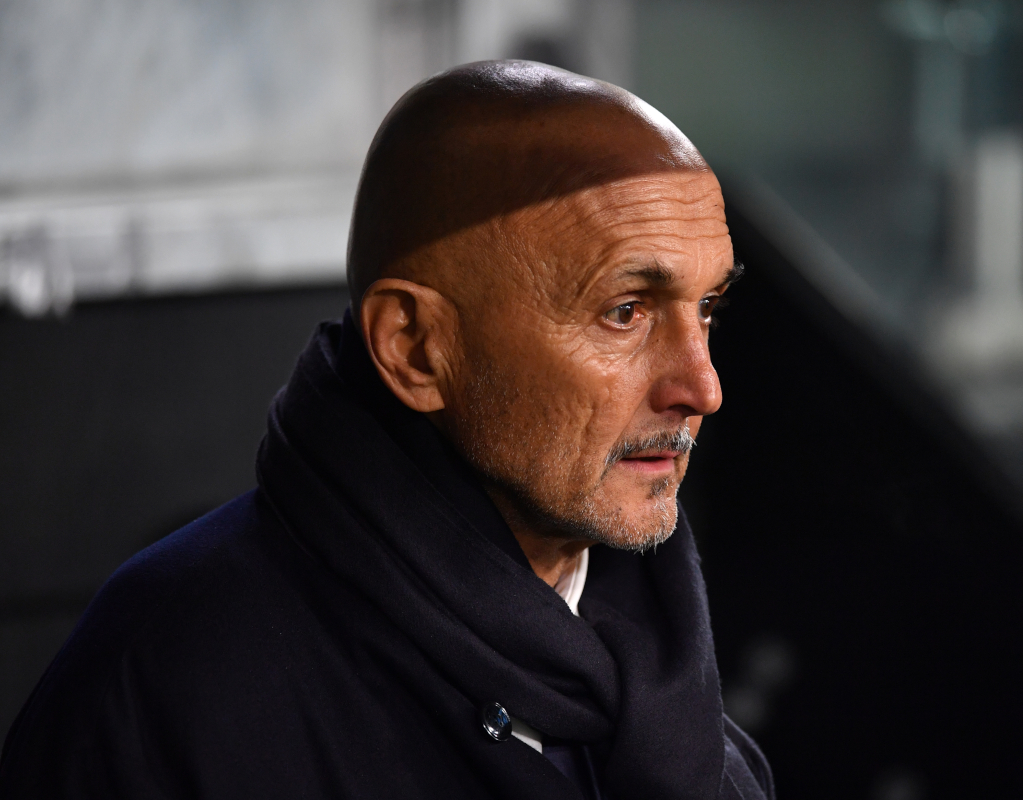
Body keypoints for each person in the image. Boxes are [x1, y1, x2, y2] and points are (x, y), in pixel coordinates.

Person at [0, 60, 774, 800]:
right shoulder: (170, 687)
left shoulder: (666, 680)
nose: (701, 388)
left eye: (708, 308)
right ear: (415, 348)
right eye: (625, 311)